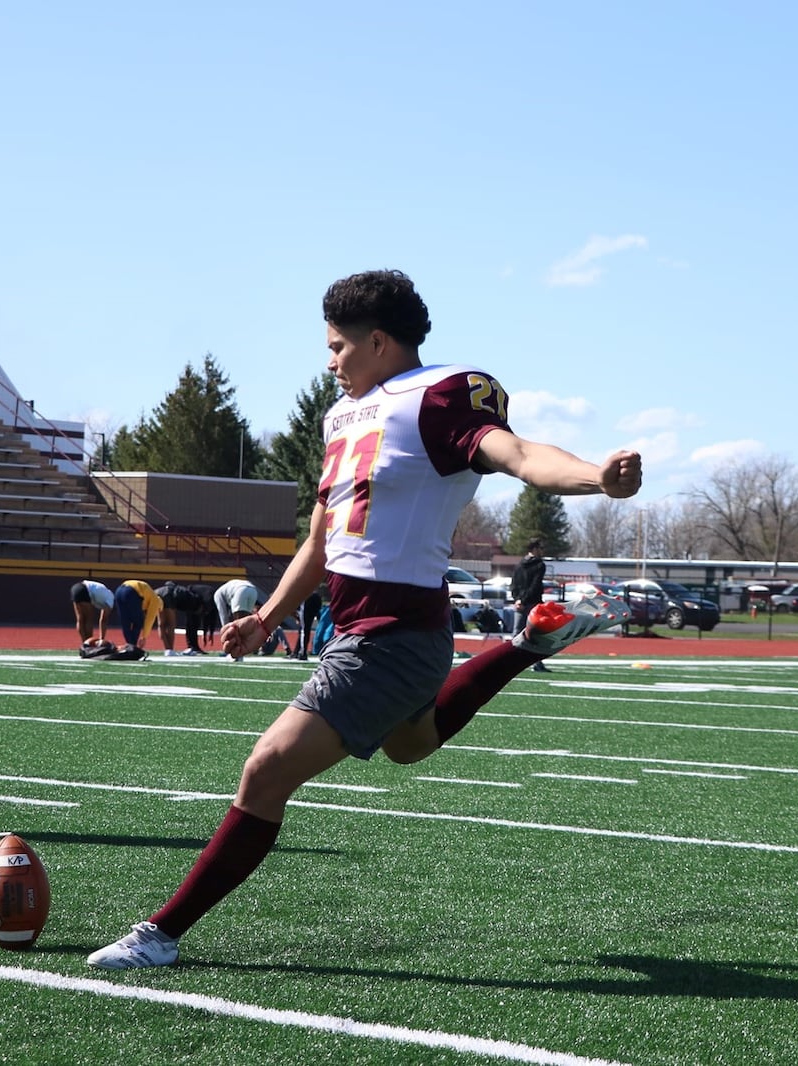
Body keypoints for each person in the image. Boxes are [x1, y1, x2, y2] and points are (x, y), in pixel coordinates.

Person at [88, 268, 640, 970]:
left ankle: (160, 934)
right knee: (411, 744)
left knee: (263, 773)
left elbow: (521, 454)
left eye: (339, 347)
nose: (330, 361)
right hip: (373, 632)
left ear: (377, 341)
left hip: (393, 633)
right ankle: (529, 641)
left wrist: (599, 477)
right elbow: (322, 540)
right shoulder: (342, 415)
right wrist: (266, 617)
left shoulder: (440, 397)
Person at [510, 538, 550, 672]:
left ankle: (511, 660)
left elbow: (514, 584)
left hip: (520, 603)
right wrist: (524, 599)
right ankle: (536, 663)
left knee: (517, 633)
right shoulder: (539, 565)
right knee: (536, 634)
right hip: (533, 603)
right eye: (540, 548)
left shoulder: (519, 564)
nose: (542, 551)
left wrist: (517, 599)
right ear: (534, 548)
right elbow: (535, 585)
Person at [213, 578, 261, 660]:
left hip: (240, 591)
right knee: (247, 623)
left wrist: (226, 632)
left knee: (237, 624)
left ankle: (237, 653)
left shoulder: (217, 594)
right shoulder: (227, 588)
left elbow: (223, 614)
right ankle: (251, 647)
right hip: (253, 590)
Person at [113, 579, 164, 655]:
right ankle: (132, 647)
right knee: (139, 622)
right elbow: (150, 619)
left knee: (125, 622)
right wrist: (144, 637)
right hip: (131, 591)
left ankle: (130, 645)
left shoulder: (148, 598)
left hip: (119, 590)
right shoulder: (156, 601)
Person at [70, 579, 114, 653]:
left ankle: (85, 644)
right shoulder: (111, 600)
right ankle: (89, 644)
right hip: (85, 590)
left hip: (76, 588)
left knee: (80, 619)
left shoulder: (106, 595)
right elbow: (103, 620)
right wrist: (101, 639)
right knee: (89, 618)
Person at [292, 586, 323, 660]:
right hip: (311, 600)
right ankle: (298, 651)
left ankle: (302, 652)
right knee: (304, 630)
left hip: (307, 601)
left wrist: (297, 617)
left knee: (304, 630)